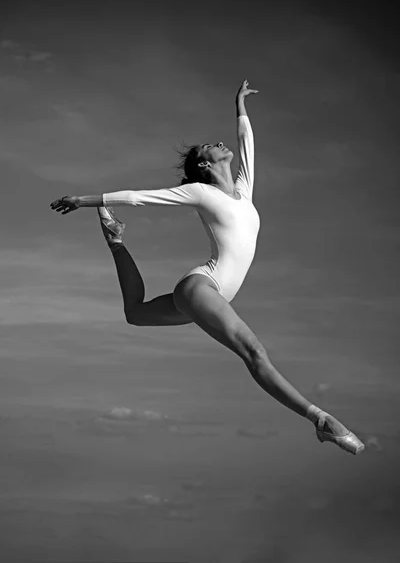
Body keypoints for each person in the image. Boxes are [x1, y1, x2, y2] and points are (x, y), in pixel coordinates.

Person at [50, 79, 364, 455]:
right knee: (255, 353)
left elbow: (247, 144)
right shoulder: (201, 192)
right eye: (211, 147)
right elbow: (138, 197)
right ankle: (322, 421)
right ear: (204, 164)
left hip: (209, 297)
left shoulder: (243, 191)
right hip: (203, 288)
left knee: (135, 313)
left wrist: (240, 105)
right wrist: (82, 200)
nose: (220, 144)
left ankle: (115, 241)